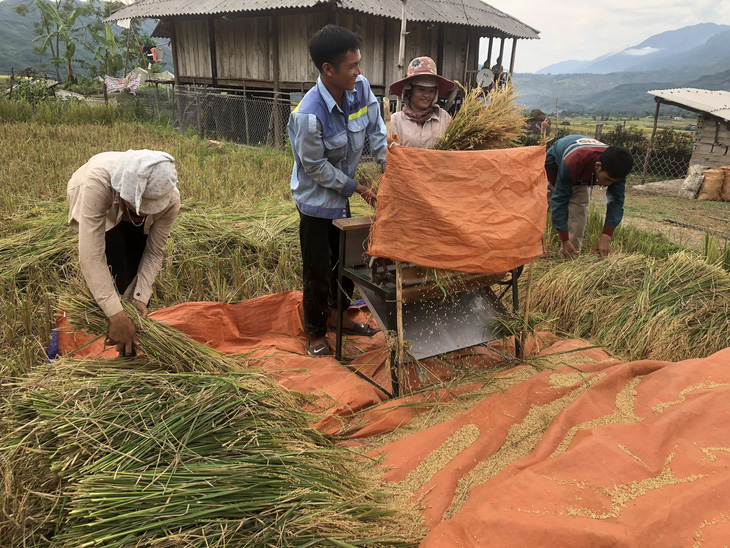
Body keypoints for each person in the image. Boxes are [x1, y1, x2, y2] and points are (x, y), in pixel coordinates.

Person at [287, 24, 387, 357]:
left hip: (341, 196)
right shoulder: (308, 115)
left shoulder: (360, 90)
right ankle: (315, 332)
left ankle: (340, 315)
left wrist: (397, 173)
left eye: (360, 64)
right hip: (316, 201)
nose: (359, 72)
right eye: (352, 66)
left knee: (344, 261)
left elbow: (378, 132)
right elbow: (315, 168)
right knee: (318, 267)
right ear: (328, 69)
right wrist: (358, 188)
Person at [67, 150, 180, 355]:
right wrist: (116, 315)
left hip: (122, 201)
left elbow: (154, 253)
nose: (143, 213)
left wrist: (139, 299)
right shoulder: (98, 184)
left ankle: (132, 344)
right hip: (103, 203)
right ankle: (119, 334)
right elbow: (91, 256)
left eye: (149, 208)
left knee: (136, 268)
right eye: (138, 206)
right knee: (114, 261)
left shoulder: (170, 199)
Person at [545, 135, 634, 259]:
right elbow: (559, 200)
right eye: (607, 179)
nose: (608, 185)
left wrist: (606, 237)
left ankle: (570, 259)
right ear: (598, 166)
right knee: (541, 209)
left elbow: (616, 203)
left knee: (579, 214)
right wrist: (564, 239)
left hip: (582, 171)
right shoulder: (574, 161)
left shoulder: (617, 168)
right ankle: (532, 251)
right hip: (554, 166)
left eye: (613, 182)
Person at [389, 56, 455, 149]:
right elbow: (392, 154)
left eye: (431, 91)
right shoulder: (396, 121)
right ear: (409, 91)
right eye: (421, 89)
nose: (427, 95)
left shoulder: (444, 119)